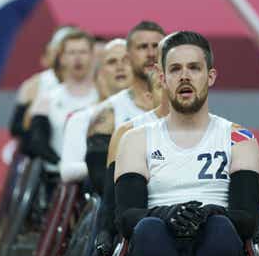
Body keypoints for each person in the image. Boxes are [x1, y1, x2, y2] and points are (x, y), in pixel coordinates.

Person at [114, 31, 259, 256]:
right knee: (148, 230)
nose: (185, 76)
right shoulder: (135, 139)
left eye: (194, 68)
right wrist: (168, 214)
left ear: (211, 76)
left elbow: (247, 218)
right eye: (175, 69)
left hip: (218, 242)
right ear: (162, 79)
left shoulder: (240, 138)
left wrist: (207, 214)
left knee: (220, 229)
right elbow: (125, 217)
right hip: (157, 238)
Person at [85, 21, 166, 194]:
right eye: (143, 47)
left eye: (156, 46)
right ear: (128, 58)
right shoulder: (108, 113)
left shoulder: (183, 107)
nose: (151, 53)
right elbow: (101, 180)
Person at [24, 30, 99, 172]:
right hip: (56, 178)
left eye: (83, 52)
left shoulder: (103, 98)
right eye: (71, 52)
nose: (77, 58)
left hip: (94, 179)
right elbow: (37, 141)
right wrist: (62, 165)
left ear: (92, 56)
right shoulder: (47, 98)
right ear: (62, 58)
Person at [59, 39, 132, 184]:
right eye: (112, 62)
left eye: (126, 60)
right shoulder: (81, 118)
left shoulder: (155, 113)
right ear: (100, 74)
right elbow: (67, 170)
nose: (120, 66)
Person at [8, 25, 76, 144]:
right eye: (68, 52)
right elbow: (17, 128)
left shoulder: (95, 82)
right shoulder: (36, 84)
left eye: (80, 52)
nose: (74, 57)